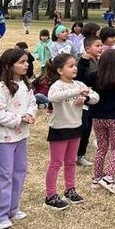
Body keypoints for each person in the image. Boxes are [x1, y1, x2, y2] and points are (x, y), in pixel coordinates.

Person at [0, 48, 36, 229]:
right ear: (9, 65)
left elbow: (31, 104)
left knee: (19, 173)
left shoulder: (26, 85)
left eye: (27, 62)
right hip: (4, 138)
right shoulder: (1, 88)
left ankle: (12, 208)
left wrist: (30, 114)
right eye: (22, 62)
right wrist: (19, 119)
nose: (26, 65)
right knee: (5, 176)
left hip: (21, 136)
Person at [44, 53, 98, 210]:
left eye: (75, 65)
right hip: (59, 130)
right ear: (60, 70)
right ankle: (50, 195)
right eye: (70, 66)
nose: (74, 68)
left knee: (70, 161)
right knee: (56, 163)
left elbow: (95, 96)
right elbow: (53, 97)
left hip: (76, 128)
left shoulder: (79, 84)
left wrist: (86, 98)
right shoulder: (57, 86)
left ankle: (70, 189)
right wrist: (76, 92)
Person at [85, 50, 115, 194]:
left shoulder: (95, 76)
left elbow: (83, 84)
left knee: (102, 147)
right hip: (114, 118)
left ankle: (97, 177)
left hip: (97, 117)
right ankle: (109, 177)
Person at [75, 37, 103, 168]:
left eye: (101, 45)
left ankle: (80, 155)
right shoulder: (82, 62)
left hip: (94, 98)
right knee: (84, 128)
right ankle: (77, 155)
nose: (100, 48)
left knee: (87, 128)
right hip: (83, 99)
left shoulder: (99, 60)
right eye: (97, 45)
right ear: (87, 49)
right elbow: (81, 79)